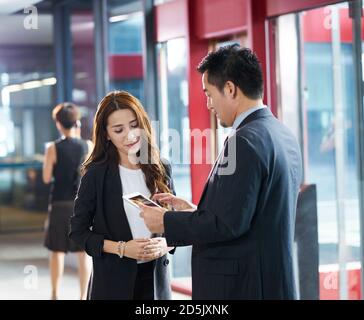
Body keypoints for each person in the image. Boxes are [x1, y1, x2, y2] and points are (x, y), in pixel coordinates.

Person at [139, 44, 303, 299]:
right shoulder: (282, 134)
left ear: (230, 89)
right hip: (270, 282)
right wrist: (195, 211)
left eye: (209, 94)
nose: (208, 104)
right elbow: (247, 215)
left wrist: (164, 220)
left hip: (242, 288)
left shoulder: (243, 141)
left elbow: (227, 225)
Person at [69, 90, 175, 300]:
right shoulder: (96, 175)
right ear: (106, 134)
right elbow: (78, 232)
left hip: (156, 282)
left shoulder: (161, 167)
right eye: (119, 130)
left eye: (134, 125)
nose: (130, 135)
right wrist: (122, 248)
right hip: (112, 283)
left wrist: (166, 244)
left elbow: (175, 223)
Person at [43, 102, 93, 300]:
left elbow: (47, 178)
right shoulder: (87, 146)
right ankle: (83, 296)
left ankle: (55, 294)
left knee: (57, 250)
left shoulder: (53, 148)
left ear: (59, 124)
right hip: (82, 204)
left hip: (60, 204)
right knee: (83, 253)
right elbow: (90, 176)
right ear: (76, 122)